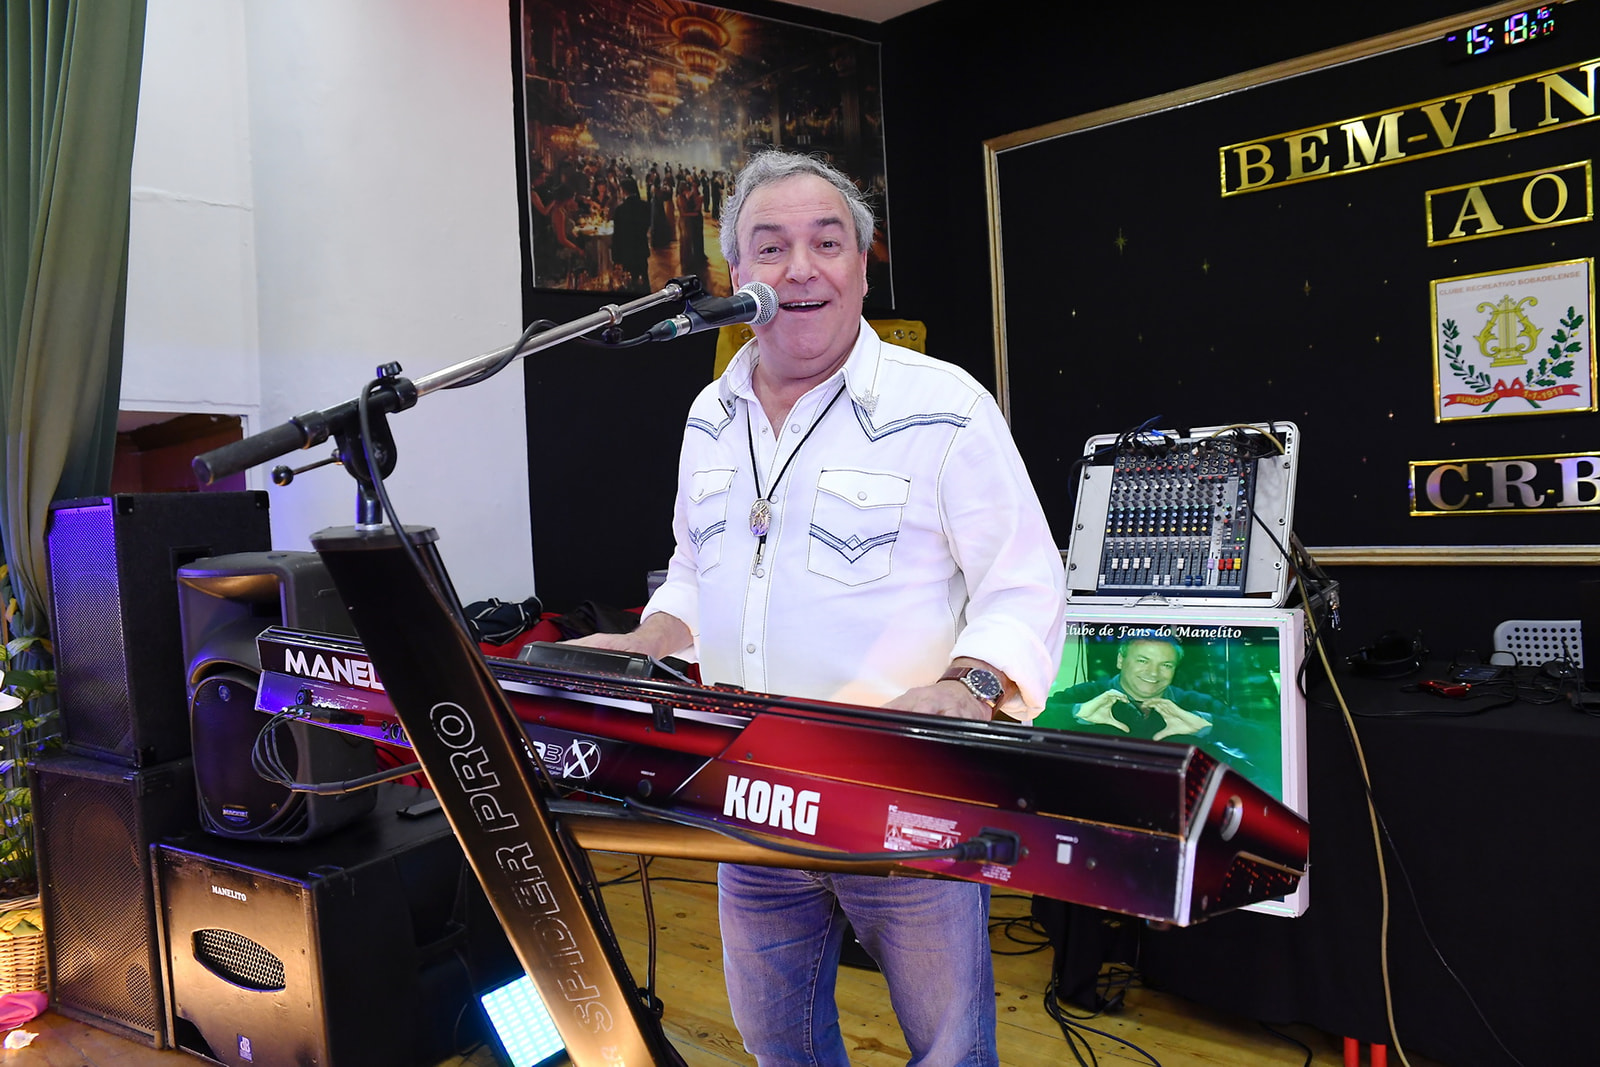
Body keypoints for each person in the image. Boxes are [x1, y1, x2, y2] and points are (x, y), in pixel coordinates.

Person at [571, 148, 1065, 1067]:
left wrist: (968, 687)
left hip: (901, 798)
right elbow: (696, 571)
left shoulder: (945, 407)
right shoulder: (708, 416)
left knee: (950, 1051)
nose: (800, 268)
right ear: (736, 276)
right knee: (777, 1047)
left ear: (862, 267)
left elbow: (1026, 583)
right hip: (746, 792)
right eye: (771, 246)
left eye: (826, 243)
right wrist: (646, 638)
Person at [1037, 634, 1220, 741]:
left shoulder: (1197, 704)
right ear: (1120, 660)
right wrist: (1076, 714)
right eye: (1143, 661)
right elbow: (1032, 718)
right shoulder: (1086, 694)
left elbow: (1240, 731)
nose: (1153, 673)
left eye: (1166, 665)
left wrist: (1208, 727)